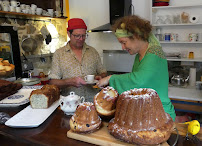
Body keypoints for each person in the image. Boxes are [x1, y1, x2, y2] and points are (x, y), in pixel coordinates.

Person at [97, 15, 176, 121]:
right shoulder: (140, 54)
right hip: (148, 112)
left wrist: (110, 79)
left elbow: (139, 81)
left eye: (124, 43)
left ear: (136, 37)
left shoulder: (154, 54)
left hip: (160, 114)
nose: (123, 47)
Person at [49, 18, 107, 102]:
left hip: (93, 101)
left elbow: (103, 72)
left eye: (83, 35)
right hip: (70, 103)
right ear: (69, 34)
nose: (81, 39)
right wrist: (69, 82)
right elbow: (52, 82)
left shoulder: (93, 52)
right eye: (77, 36)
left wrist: (100, 77)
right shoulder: (59, 54)